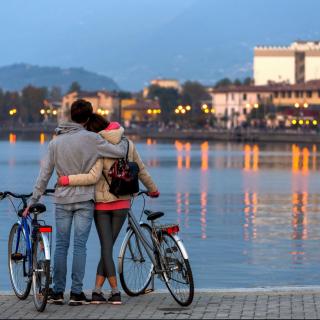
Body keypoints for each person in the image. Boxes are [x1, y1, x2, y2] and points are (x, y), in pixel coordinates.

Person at [24, 99, 128, 306]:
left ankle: (57, 291)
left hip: (62, 199)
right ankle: (76, 293)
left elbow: (44, 175)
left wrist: (33, 200)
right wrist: (123, 139)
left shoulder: (55, 143)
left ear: (71, 116)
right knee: (80, 246)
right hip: (85, 199)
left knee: (61, 246)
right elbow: (119, 152)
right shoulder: (93, 139)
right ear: (88, 118)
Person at [57, 114, 159, 305]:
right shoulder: (127, 144)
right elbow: (141, 169)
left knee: (106, 248)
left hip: (101, 204)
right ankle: (96, 291)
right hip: (122, 202)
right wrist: (153, 189)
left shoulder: (98, 146)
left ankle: (114, 292)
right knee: (108, 247)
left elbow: (93, 176)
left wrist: (67, 179)